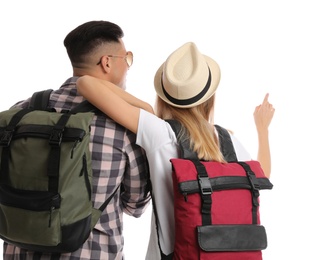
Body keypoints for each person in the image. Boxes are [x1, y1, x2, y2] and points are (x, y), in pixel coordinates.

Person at [76, 42, 275, 259]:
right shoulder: (226, 139)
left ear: (164, 96)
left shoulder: (160, 133)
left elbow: (86, 83)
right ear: (209, 98)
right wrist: (262, 129)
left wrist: (147, 109)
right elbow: (261, 174)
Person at [3, 20, 151, 260]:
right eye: (127, 59)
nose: (128, 67)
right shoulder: (125, 127)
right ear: (107, 62)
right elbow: (136, 205)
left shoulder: (21, 111)